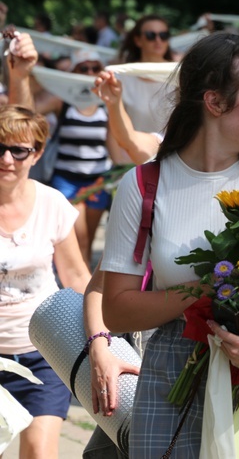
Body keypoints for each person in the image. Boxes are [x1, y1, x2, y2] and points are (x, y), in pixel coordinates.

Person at [99, 33, 239, 457]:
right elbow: (117, 307)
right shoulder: (143, 184)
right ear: (214, 102)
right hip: (171, 375)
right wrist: (207, 290)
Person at [0, 105, 92, 459]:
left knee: (40, 452)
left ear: (37, 153)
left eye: (18, 150)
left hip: (43, 353)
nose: (7, 159)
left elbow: (76, 276)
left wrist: (105, 337)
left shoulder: (52, 203)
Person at [36, 49, 115, 268]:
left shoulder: (107, 103)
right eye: (83, 68)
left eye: (95, 68)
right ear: (73, 71)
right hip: (66, 180)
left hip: (98, 181)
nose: (89, 72)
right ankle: (73, 287)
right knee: (76, 237)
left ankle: (83, 289)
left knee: (88, 239)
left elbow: (115, 146)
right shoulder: (63, 101)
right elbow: (29, 110)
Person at [115, 14, 175, 138]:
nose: (158, 40)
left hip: (173, 153)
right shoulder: (123, 76)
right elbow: (114, 124)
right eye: (150, 35)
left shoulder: (180, 74)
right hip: (132, 152)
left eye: (163, 35)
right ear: (137, 40)